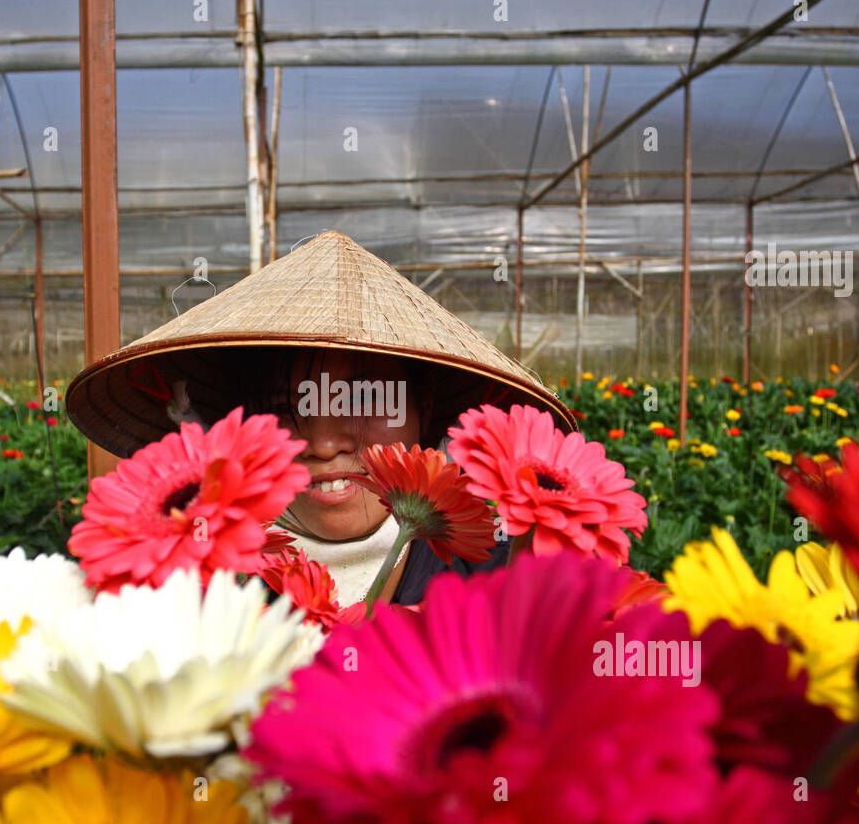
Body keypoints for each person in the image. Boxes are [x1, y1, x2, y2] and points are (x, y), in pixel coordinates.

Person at [65, 230, 574, 607]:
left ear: (424, 407)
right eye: (287, 410)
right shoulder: (181, 596)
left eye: (364, 399)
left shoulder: (502, 586)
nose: (325, 442)